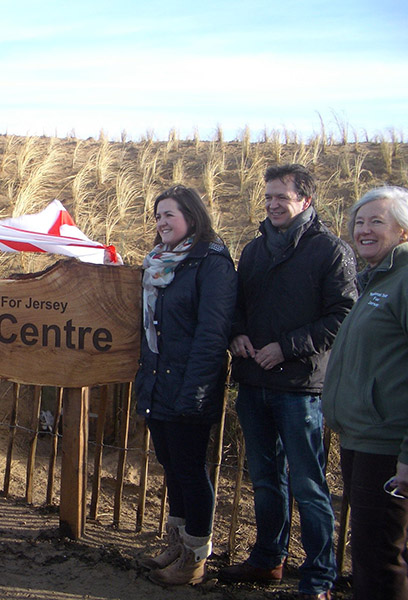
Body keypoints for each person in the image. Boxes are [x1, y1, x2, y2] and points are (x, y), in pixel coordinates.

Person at [218, 164, 357, 599]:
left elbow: (343, 315)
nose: (273, 204)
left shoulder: (330, 251)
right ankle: (268, 559)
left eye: (283, 197)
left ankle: (319, 577)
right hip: (254, 382)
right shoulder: (254, 250)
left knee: (309, 484)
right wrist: (237, 332)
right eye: (268, 198)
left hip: (300, 387)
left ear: (305, 201)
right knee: (264, 479)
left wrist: (288, 346)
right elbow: (236, 304)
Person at [134, 185, 237, 585]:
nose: (161, 222)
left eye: (169, 215)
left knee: (191, 471)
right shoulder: (159, 262)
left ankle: (195, 558)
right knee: (172, 467)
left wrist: (194, 390)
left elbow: (212, 334)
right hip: (159, 381)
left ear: (191, 218)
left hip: (190, 384)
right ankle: (177, 545)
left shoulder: (212, 264)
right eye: (158, 215)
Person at [323, 186, 408, 600]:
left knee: (379, 559)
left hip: (389, 446)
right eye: (359, 221)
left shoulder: (404, 281)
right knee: (372, 552)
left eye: (377, 221)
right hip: (363, 438)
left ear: (403, 231)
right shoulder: (376, 280)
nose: (364, 229)